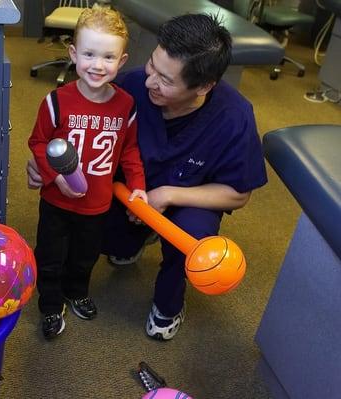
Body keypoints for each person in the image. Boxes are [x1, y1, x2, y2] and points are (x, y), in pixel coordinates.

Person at [27, 13, 268, 341]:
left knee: (190, 234)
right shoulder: (128, 86)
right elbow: (70, 137)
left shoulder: (234, 117)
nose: (150, 80)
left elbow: (238, 194)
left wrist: (168, 195)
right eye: (153, 65)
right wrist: (47, 166)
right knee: (95, 239)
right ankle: (133, 240)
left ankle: (169, 304)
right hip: (128, 194)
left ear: (203, 87)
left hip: (185, 200)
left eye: (166, 81)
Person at [28, 6, 147, 340]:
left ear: (122, 61)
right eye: (89, 54)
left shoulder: (126, 105)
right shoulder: (56, 101)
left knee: (85, 255)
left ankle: (76, 291)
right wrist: (56, 178)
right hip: (56, 201)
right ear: (73, 53)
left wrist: (137, 185)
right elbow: (38, 143)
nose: (98, 65)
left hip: (97, 204)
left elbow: (129, 150)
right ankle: (50, 304)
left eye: (109, 57)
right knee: (50, 256)